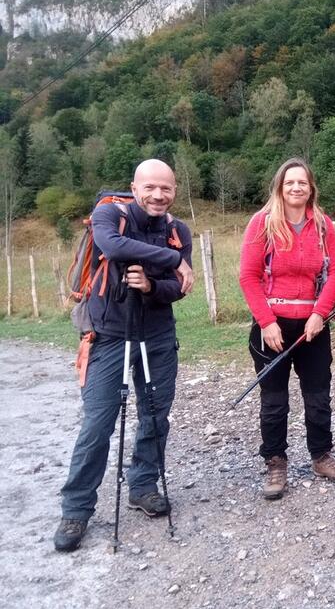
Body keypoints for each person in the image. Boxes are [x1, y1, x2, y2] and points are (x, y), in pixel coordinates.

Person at [54, 159, 194, 552]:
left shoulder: (178, 231)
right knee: (98, 423)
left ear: (174, 192)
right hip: (109, 335)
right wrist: (170, 260)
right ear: (134, 187)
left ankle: (143, 485)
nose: (157, 195)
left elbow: (180, 289)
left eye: (165, 188)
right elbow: (111, 247)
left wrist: (151, 284)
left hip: (158, 335)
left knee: (154, 416)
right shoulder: (108, 214)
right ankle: (76, 508)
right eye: (150, 187)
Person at [239, 158, 335, 499]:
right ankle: (275, 461)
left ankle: (321, 455)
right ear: (280, 187)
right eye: (290, 183)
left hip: (313, 326)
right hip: (271, 326)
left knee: (318, 396)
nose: (296, 188)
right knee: (274, 400)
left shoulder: (323, 225)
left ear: (311, 188)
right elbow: (249, 277)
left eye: (302, 182)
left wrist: (320, 312)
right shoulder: (261, 224)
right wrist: (266, 322)